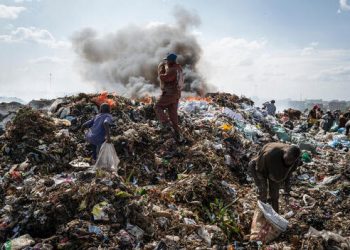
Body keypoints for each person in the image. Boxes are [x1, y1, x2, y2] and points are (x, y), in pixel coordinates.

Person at [249, 143, 302, 213]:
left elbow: (288, 175)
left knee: (275, 196)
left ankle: (275, 215)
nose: (288, 162)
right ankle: (260, 214)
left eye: (290, 160)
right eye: (287, 159)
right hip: (262, 169)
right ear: (285, 152)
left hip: (275, 173)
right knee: (262, 193)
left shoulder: (295, 162)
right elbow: (252, 164)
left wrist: (287, 190)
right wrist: (258, 183)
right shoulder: (270, 155)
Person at [155, 53, 184, 142]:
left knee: (157, 106)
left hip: (170, 94)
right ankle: (178, 135)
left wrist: (160, 72)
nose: (166, 62)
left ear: (171, 61)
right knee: (173, 115)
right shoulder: (179, 68)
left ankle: (166, 123)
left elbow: (165, 78)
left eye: (167, 60)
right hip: (176, 95)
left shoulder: (172, 70)